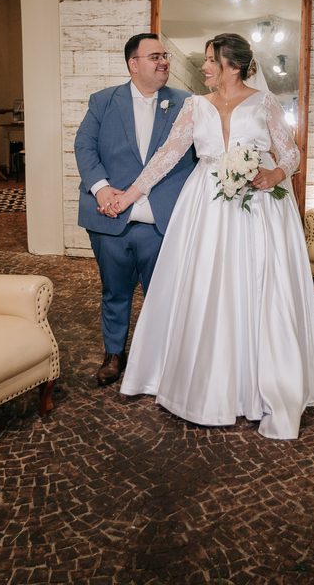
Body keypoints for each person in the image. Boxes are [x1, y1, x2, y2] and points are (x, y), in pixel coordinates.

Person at [106, 33, 314, 439]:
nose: (203, 66)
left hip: (259, 206)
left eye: (210, 60)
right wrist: (128, 196)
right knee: (207, 285)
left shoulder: (264, 102)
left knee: (257, 284)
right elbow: (165, 157)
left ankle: (261, 375)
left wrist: (275, 174)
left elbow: (291, 153)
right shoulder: (195, 106)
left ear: (232, 65)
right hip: (206, 207)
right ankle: (205, 378)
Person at [74, 33, 196, 386]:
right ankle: (114, 354)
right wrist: (100, 189)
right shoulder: (103, 101)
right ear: (133, 64)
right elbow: (84, 146)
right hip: (111, 218)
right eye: (155, 56)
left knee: (165, 296)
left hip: (164, 221)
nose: (164, 62)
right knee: (114, 292)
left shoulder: (186, 103)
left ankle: (160, 359)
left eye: (165, 56)